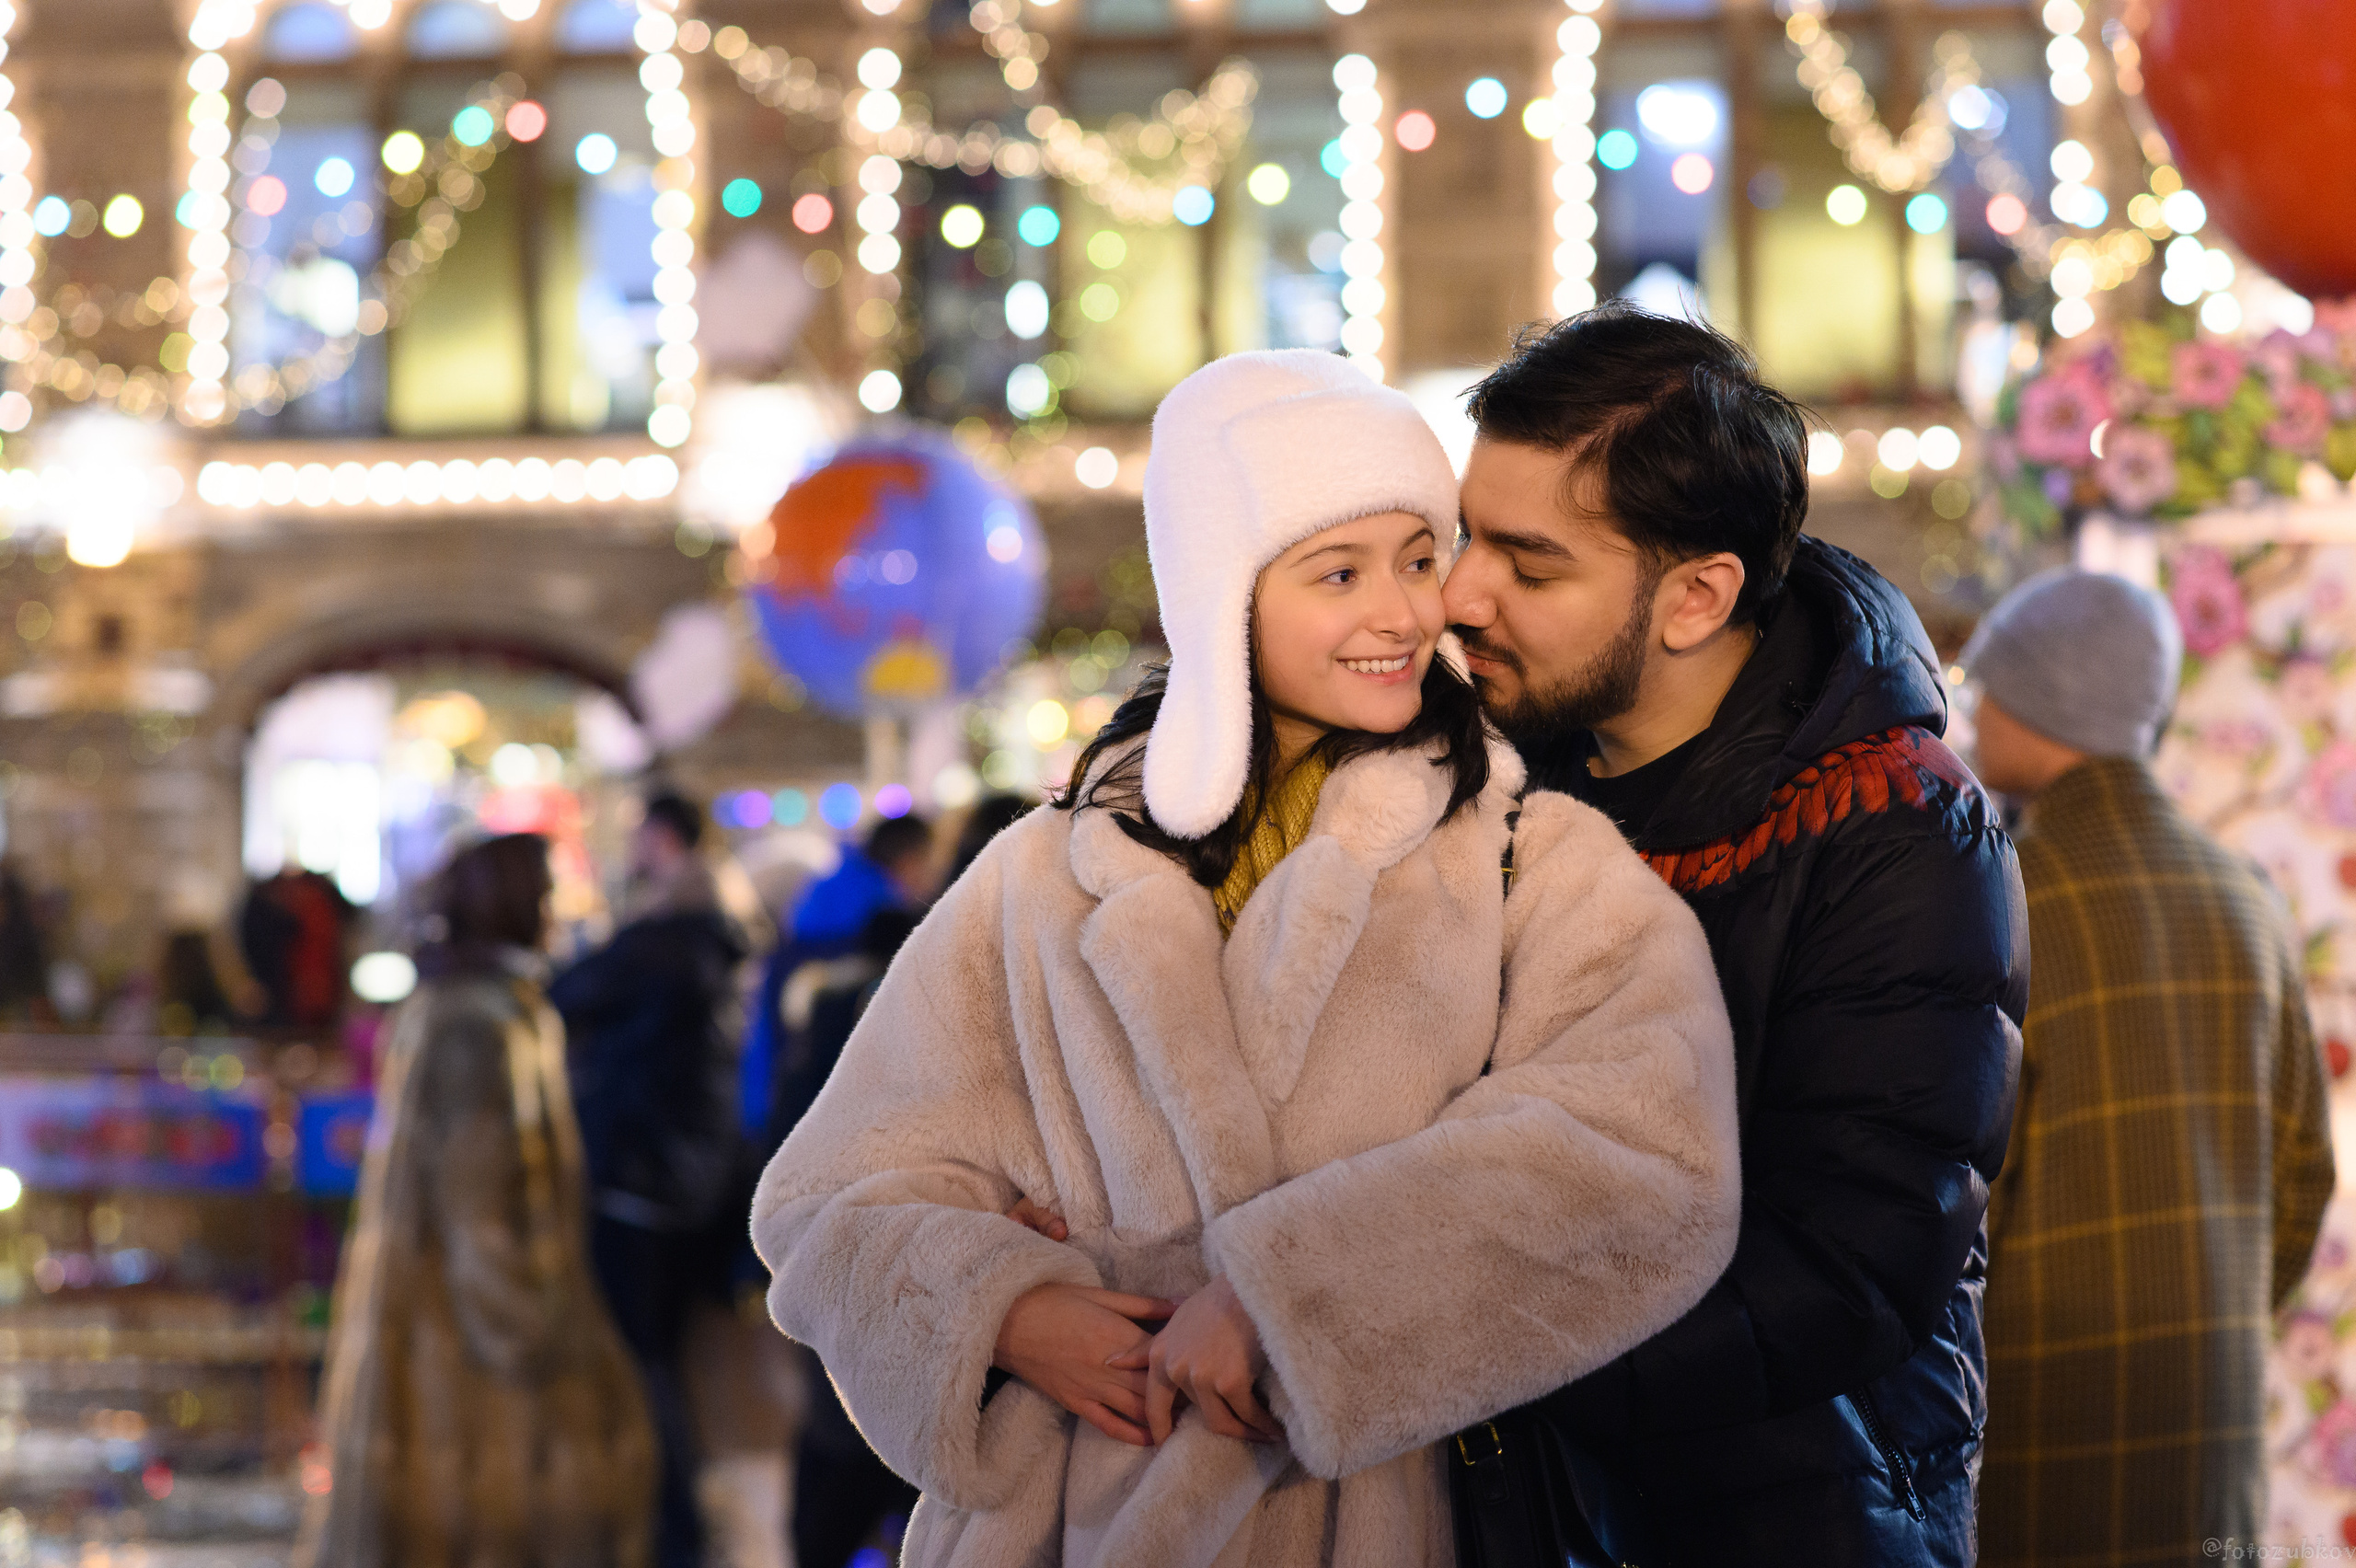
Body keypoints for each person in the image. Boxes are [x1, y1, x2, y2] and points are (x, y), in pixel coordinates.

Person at [753, 348, 1742, 1568]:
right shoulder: (1041, 878)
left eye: (1420, 558)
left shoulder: (1532, 860)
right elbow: (824, 1203)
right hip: (1053, 1527)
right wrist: (1004, 1310)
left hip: (1382, 1524)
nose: (1403, 612)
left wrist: (1297, 1302)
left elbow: (1650, 1162)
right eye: (1340, 572)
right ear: (1225, 598)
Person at [1442, 303, 2027, 1564]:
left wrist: (1447, 1348)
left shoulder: (1896, 821)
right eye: (1464, 537)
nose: (1460, 593)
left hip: (1803, 1512)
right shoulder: (1485, 780)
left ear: (1696, 596)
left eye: (1531, 566)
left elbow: (1854, 1261)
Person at [1961, 569, 2334, 1565]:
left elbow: (1957, 1194)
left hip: (2032, 1426)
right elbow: (2302, 1177)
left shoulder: (2003, 900)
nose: (1972, 710)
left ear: (2046, 703)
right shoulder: (2244, 896)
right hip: (2209, 1436)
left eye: (1989, 684)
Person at [298, 833, 653, 1568]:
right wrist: (546, 1339)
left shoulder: (453, 1009)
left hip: (433, 1336)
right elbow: (485, 1220)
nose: (555, 913)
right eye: (544, 896)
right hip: (478, 1370)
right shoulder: (485, 1026)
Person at [550, 792, 748, 1568]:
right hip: (693, 1181)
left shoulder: (658, 948)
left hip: (641, 1179)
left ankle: (671, 1532)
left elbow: (565, 993)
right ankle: (680, 1522)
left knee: (641, 1359)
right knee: (665, 1356)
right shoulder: (714, 945)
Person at [739, 813, 936, 1137]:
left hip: (779, 1104)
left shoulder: (821, 898)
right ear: (910, 861)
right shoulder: (883, 924)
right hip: (837, 1124)